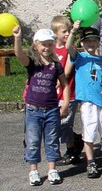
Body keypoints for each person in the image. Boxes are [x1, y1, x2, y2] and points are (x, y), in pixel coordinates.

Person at [15, 26, 69, 186]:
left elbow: (64, 84)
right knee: (33, 141)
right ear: (36, 46)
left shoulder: (56, 65)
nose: (46, 47)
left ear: (53, 45)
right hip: (33, 110)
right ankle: (33, 171)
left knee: (52, 141)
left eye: (49, 44)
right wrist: (17, 38)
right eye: (43, 44)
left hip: (52, 110)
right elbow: (19, 55)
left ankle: (52, 170)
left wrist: (65, 103)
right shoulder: (32, 63)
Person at [66, 23, 102, 179]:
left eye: (94, 40)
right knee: (89, 133)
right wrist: (72, 31)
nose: (91, 44)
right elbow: (68, 47)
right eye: (87, 41)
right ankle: (91, 162)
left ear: (98, 42)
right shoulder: (79, 58)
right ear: (82, 43)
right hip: (87, 102)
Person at [50, 16, 83, 166]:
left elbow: (68, 71)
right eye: (64, 31)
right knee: (56, 123)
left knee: (64, 123)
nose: (66, 34)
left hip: (68, 92)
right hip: (53, 94)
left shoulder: (70, 49)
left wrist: (59, 79)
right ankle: (75, 140)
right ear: (55, 33)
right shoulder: (51, 49)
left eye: (69, 31)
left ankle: (72, 151)